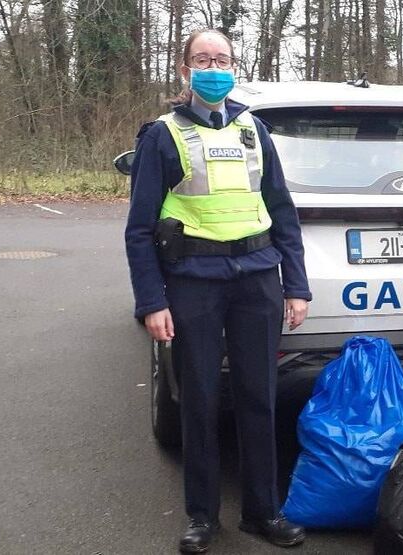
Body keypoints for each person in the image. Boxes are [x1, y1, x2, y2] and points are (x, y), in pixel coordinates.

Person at [124, 29, 311, 553]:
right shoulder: (162, 136)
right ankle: (202, 517)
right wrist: (152, 301)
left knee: (259, 398)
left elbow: (282, 213)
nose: (214, 67)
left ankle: (262, 512)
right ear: (185, 70)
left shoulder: (254, 130)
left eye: (223, 59)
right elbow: (139, 229)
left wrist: (295, 286)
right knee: (201, 401)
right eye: (203, 59)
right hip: (193, 285)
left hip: (257, 282)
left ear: (235, 66)